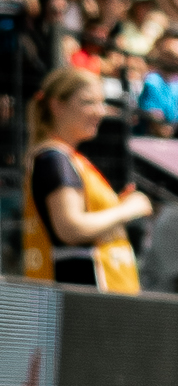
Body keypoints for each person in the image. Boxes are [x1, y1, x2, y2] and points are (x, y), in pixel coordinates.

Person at [22, 66, 149, 290]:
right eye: (88, 102)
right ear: (57, 105)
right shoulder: (54, 159)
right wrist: (128, 210)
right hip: (79, 302)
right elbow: (70, 228)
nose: (99, 112)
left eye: (101, 102)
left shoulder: (70, 159)